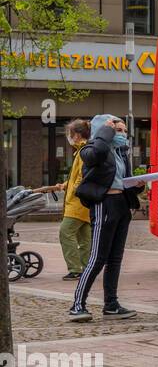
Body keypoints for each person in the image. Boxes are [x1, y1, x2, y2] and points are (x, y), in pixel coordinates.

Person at [69, 115, 141, 322]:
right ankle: (77, 305)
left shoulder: (120, 152)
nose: (123, 135)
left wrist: (137, 184)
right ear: (103, 131)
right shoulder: (91, 150)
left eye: (125, 131)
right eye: (118, 130)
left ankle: (111, 304)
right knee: (97, 258)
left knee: (115, 259)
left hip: (121, 205)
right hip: (104, 205)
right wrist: (105, 132)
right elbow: (97, 153)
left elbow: (122, 180)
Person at [51, 119, 92, 280]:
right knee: (84, 238)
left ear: (76, 135)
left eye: (70, 133)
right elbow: (77, 176)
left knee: (65, 232)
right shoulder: (83, 150)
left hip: (77, 204)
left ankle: (76, 269)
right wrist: (65, 184)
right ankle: (87, 268)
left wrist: (73, 189)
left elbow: (82, 176)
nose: (68, 136)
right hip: (83, 204)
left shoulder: (83, 151)